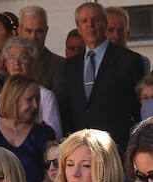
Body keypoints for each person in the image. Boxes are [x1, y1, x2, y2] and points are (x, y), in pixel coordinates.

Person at [60, 2, 143, 150]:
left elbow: (138, 109)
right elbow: (67, 109)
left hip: (117, 149)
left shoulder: (129, 60)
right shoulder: (69, 66)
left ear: (105, 24)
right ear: (79, 28)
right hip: (80, 149)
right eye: (84, 21)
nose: (90, 24)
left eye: (95, 19)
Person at [0, 76, 58, 182]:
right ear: (12, 100)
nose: (35, 105)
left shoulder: (44, 134)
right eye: (29, 100)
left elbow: (51, 176)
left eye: (37, 100)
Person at [0, 37, 63, 135]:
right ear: (6, 64)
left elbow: (55, 136)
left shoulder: (45, 96)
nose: (16, 63)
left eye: (23, 58)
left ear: (33, 63)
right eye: (12, 58)